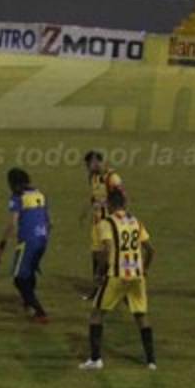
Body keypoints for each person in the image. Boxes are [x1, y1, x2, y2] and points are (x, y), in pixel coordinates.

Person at [79, 192, 157, 370]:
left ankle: (95, 359)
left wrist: (99, 273)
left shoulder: (106, 223)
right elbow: (151, 250)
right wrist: (145, 269)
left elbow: (106, 250)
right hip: (136, 276)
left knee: (97, 314)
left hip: (116, 275)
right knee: (141, 315)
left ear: (109, 205)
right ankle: (151, 361)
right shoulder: (136, 222)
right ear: (125, 204)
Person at [0, 168, 50, 322]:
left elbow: (12, 224)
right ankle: (27, 303)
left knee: (19, 279)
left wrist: (1, 246)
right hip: (42, 238)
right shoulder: (39, 194)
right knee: (29, 272)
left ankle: (40, 312)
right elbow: (48, 221)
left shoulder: (18, 197)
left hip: (28, 241)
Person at [82, 151, 124, 299]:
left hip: (108, 223)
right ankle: (98, 289)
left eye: (90, 164)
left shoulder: (112, 178)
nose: (88, 167)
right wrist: (86, 211)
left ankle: (107, 289)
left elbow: (122, 198)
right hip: (97, 223)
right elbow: (94, 197)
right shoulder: (93, 177)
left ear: (97, 162)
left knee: (105, 257)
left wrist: (118, 219)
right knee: (95, 256)